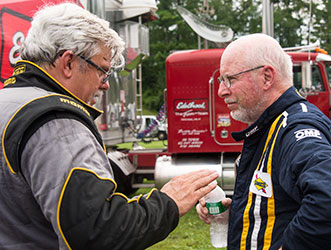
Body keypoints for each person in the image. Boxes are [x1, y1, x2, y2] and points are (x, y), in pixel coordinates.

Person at [0, 3, 219, 250]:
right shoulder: (59, 123)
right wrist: (169, 202)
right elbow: (97, 232)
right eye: (102, 71)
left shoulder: (8, 103)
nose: (105, 85)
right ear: (69, 62)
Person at [196, 33, 331, 250]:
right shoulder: (270, 126)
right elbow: (282, 207)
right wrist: (236, 212)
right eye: (221, 80)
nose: (221, 91)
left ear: (267, 77)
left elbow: (326, 199)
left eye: (231, 79)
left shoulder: (296, 128)